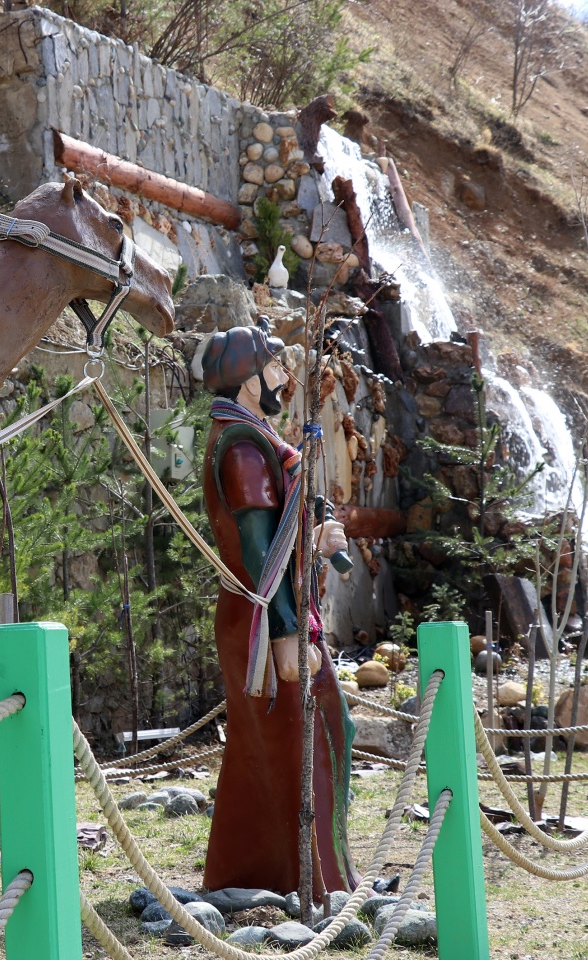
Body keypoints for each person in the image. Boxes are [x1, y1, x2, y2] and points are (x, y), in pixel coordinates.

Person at [192, 320, 357, 899]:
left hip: (260, 615)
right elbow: (261, 553)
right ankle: (308, 881)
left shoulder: (254, 437)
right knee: (304, 738)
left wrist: (318, 528)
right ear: (247, 379)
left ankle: (278, 873)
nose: (286, 377)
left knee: (290, 740)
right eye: (275, 366)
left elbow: (284, 527)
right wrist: (286, 633)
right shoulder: (242, 449)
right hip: (263, 621)